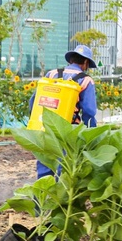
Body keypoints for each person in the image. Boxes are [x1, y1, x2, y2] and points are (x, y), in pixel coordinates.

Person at [33, 44, 98, 179]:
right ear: (85, 62)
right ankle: (60, 199)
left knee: (45, 164)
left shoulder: (52, 74)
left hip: (44, 126)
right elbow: (89, 112)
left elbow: (34, 99)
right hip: (67, 129)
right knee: (63, 167)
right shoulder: (85, 80)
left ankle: (40, 198)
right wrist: (91, 136)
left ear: (70, 60)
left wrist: (36, 120)